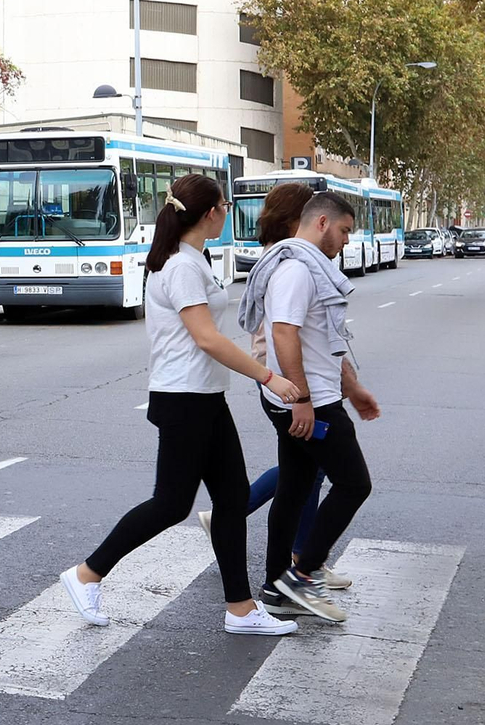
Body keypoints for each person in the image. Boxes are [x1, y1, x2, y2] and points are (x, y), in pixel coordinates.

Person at [61, 173, 304, 636]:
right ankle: (87, 573)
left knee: (232, 499)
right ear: (210, 213)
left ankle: (241, 609)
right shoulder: (181, 266)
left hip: (205, 396)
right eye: (226, 206)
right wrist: (269, 376)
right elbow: (207, 338)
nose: (229, 212)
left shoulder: (193, 258)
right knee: (171, 504)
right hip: (185, 399)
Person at [239, 191, 381, 622]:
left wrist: (351, 389)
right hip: (309, 401)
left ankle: (276, 584)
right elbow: (284, 335)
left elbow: (320, 342)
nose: (345, 241)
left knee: (295, 488)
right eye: (343, 231)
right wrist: (302, 399)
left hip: (306, 397)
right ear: (321, 223)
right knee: (354, 484)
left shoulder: (303, 267)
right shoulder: (298, 271)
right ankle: (300, 576)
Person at [198, 182, 344, 591]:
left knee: (304, 471)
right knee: (318, 473)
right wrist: (297, 392)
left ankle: (296, 558)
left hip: (283, 382)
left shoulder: (290, 256)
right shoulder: (288, 262)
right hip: (282, 383)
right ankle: (299, 559)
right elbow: (283, 334)